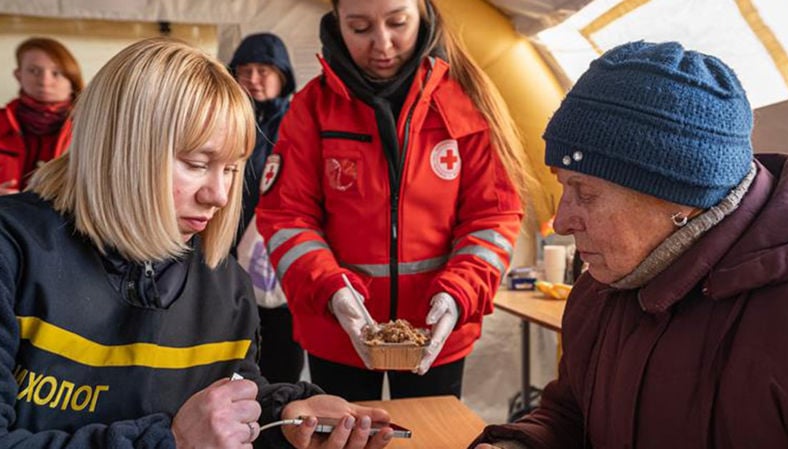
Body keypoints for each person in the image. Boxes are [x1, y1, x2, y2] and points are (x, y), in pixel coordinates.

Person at [0, 37, 394, 449]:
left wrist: (283, 419)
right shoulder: (13, 252)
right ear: (119, 147)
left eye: (232, 169)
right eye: (197, 164)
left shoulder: (226, 286)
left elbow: (226, 401)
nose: (219, 196)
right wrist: (171, 442)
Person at [471, 41, 788, 448]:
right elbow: (572, 413)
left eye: (586, 193)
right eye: (564, 187)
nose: (563, 221)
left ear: (679, 197)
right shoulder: (600, 288)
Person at [256, 0, 530, 401]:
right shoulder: (312, 108)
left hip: (436, 332)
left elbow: (494, 216)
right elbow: (286, 216)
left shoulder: (466, 103)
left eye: (398, 23)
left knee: (430, 434)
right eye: (360, 28)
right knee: (345, 433)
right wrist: (331, 289)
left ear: (423, 14)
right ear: (336, 23)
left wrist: (460, 292)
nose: (382, 44)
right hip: (337, 330)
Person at [229, 32, 305, 384]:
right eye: (245, 71)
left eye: (264, 71)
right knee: (233, 349)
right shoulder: (228, 120)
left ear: (282, 75)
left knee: (281, 350)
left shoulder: (297, 123)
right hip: (226, 253)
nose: (254, 79)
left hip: (277, 254)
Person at [0, 37, 83, 195]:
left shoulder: (91, 127)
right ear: (18, 75)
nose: (45, 81)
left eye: (56, 73)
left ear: (72, 78)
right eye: (34, 71)